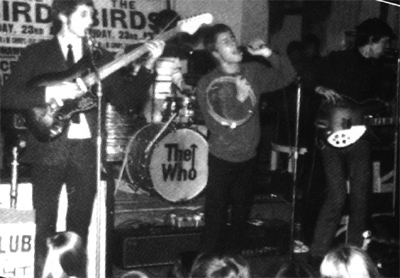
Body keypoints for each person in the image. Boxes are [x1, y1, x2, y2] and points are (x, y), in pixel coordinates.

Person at [0, 0, 165, 276]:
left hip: (86, 153)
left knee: (80, 226)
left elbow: (126, 100)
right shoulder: (35, 53)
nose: (91, 21)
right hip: (47, 148)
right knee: (44, 226)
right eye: (85, 14)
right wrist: (47, 94)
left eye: (92, 15)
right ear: (64, 15)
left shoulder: (98, 57)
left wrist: (149, 66)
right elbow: (6, 96)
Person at [195, 23, 295, 253]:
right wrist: (239, 100)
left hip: (249, 158)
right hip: (222, 159)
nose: (234, 43)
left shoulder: (252, 71)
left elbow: (288, 76)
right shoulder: (207, 83)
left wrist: (268, 54)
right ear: (215, 53)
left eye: (233, 38)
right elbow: (218, 126)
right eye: (226, 41)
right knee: (215, 222)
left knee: (240, 223)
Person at [307, 18, 397, 267]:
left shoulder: (380, 69)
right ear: (371, 41)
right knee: (336, 196)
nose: (385, 48)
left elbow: (382, 100)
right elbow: (307, 71)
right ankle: (317, 254)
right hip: (330, 134)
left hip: (361, 137)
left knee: (361, 197)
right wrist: (318, 87)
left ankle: (356, 254)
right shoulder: (338, 59)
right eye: (384, 42)